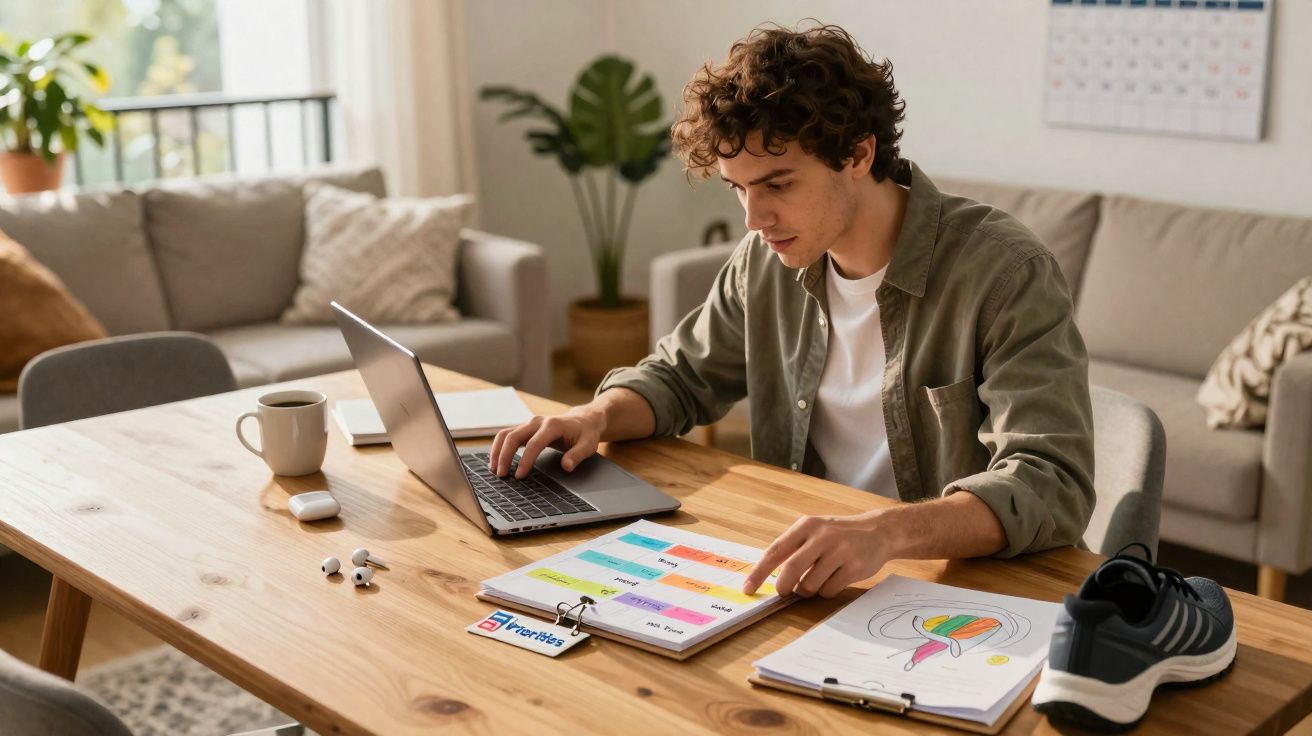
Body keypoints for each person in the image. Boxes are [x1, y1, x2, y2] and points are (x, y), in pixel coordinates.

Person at [490, 23, 1094, 599]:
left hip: (956, 587)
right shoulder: (765, 262)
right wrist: (596, 416)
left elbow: (1051, 483)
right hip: (808, 573)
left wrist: (884, 532)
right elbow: (679, 378)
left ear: (857, 154)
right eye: (739, 188)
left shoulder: (1004, 271)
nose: (753, 220)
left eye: (777, 185)